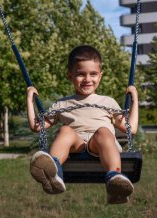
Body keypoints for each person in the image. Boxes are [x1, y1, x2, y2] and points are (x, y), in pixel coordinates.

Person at [26, 45, 139, 204]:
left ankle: (115, 179)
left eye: (93, 74)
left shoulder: (108, 102)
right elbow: (37, 126)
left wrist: (135, 100)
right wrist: (30, 101)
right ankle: (53, 173)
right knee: (65, 130)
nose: (87, 79)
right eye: (80, 74)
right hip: (76, 147)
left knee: (104, 132)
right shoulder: (63, 104)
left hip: (100, 147)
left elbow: (130, 128)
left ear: (100, 76)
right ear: (70, 76)